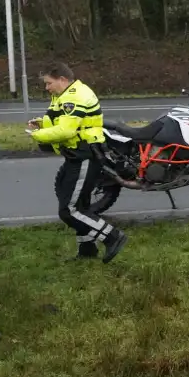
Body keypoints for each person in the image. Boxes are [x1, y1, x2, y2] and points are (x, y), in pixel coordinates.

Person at [28, 63, 127, 262]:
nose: (46, 88)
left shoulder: (74, 96)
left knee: (68, 211)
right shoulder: (64, 95)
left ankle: (112, 236)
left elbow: (67, 130)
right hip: (77, 155)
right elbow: (63, 121)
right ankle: (87, 250)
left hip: (85, 155)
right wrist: (43, 123)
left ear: (62, 79)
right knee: (79, 204)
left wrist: (38, 135)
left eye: (49, 83)